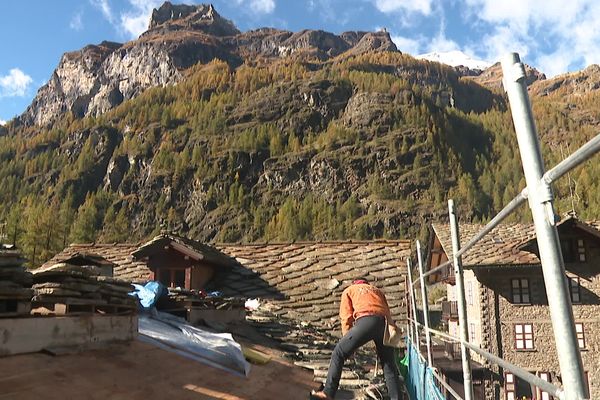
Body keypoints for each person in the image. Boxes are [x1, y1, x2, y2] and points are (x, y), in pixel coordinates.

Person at [310, 278, 401, 400]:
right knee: (388, 364)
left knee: (338, 353)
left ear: (355, 283)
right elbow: (388, 313)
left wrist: (348, 345)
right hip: (384, 324)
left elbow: (346, 317)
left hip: (366, 321)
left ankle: (327, 393)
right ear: (366, 283)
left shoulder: (349, 290)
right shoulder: (377, 291)